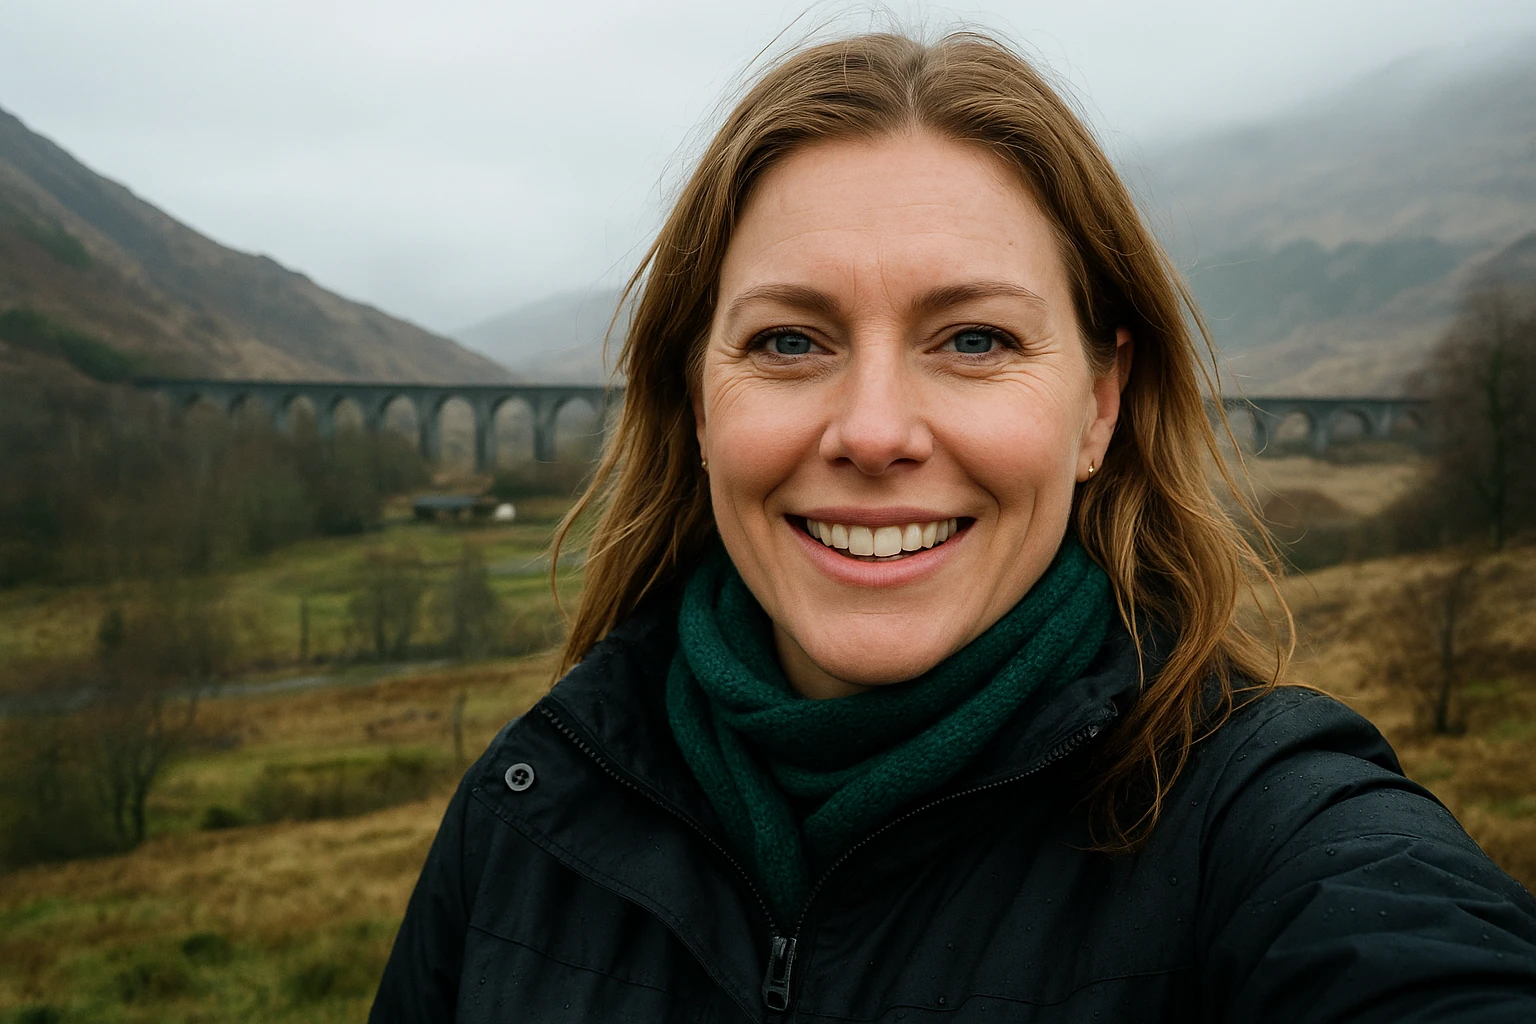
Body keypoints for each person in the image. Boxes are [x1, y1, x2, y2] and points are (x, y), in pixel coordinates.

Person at [370, 30, 1536, 1022]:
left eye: (975, 339)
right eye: (789, 340)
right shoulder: (527, 813)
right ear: (695, 401)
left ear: (1099, 404)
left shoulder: (1272, 829)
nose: (874, 432)